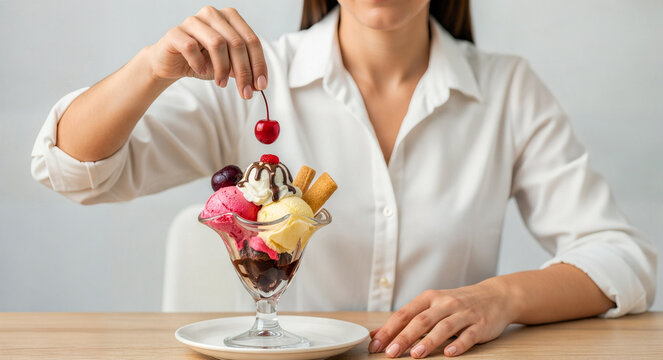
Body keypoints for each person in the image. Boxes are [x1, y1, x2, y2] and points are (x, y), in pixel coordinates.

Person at [31, 0, 656, 358]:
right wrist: (149, 70)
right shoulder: (252, 78)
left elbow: (622, 259)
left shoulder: (507, 88)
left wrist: (502, 298)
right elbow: (73, 172)